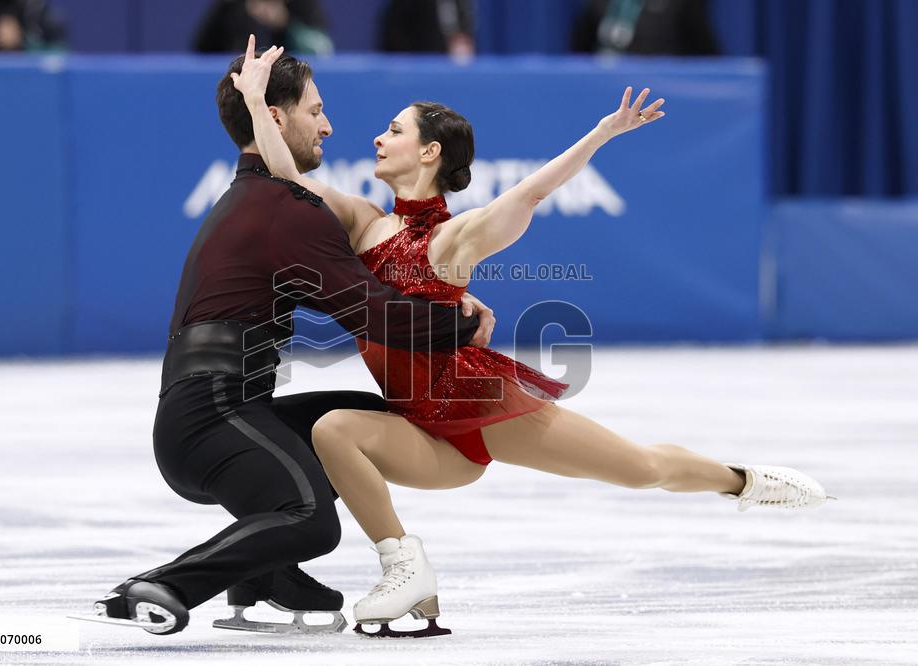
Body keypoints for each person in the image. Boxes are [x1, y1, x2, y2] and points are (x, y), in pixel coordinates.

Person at [231, 40, 832, 638]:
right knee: (333, 428)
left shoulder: (452, 239)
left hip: (476, 404)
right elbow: (288, 183)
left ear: (429, 152)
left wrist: (601, 135)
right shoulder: (364, 221)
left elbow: (532, 192)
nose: (377, 139)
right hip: (417, 424)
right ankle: (403, 568)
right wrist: (259, 103)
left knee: (639, 467)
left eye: (394, 131)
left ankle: (743, 480)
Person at [70, 41, 495, 636]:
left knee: (364, 425)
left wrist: (444, 298)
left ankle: (267, 575)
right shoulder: (283, 210)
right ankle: (164, 585)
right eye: (314, 110)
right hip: (211, 418)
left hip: (221, 410)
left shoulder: (263, 199)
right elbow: (372, 313)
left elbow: (372, 285)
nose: (327, 125)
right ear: (275, 117)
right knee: (313, 520)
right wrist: (462, 325)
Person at [570, 0, 718, 56]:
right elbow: (580, 48)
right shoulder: (598, 4)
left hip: (660, 85)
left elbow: (704, 48)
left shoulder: (682, 4)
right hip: (608, 81)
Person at [194, 0, 332, 56]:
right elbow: (202, 50)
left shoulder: (302, 5)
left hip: (290, 82)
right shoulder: (230, 7)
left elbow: (322, 50)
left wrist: (285, 24)